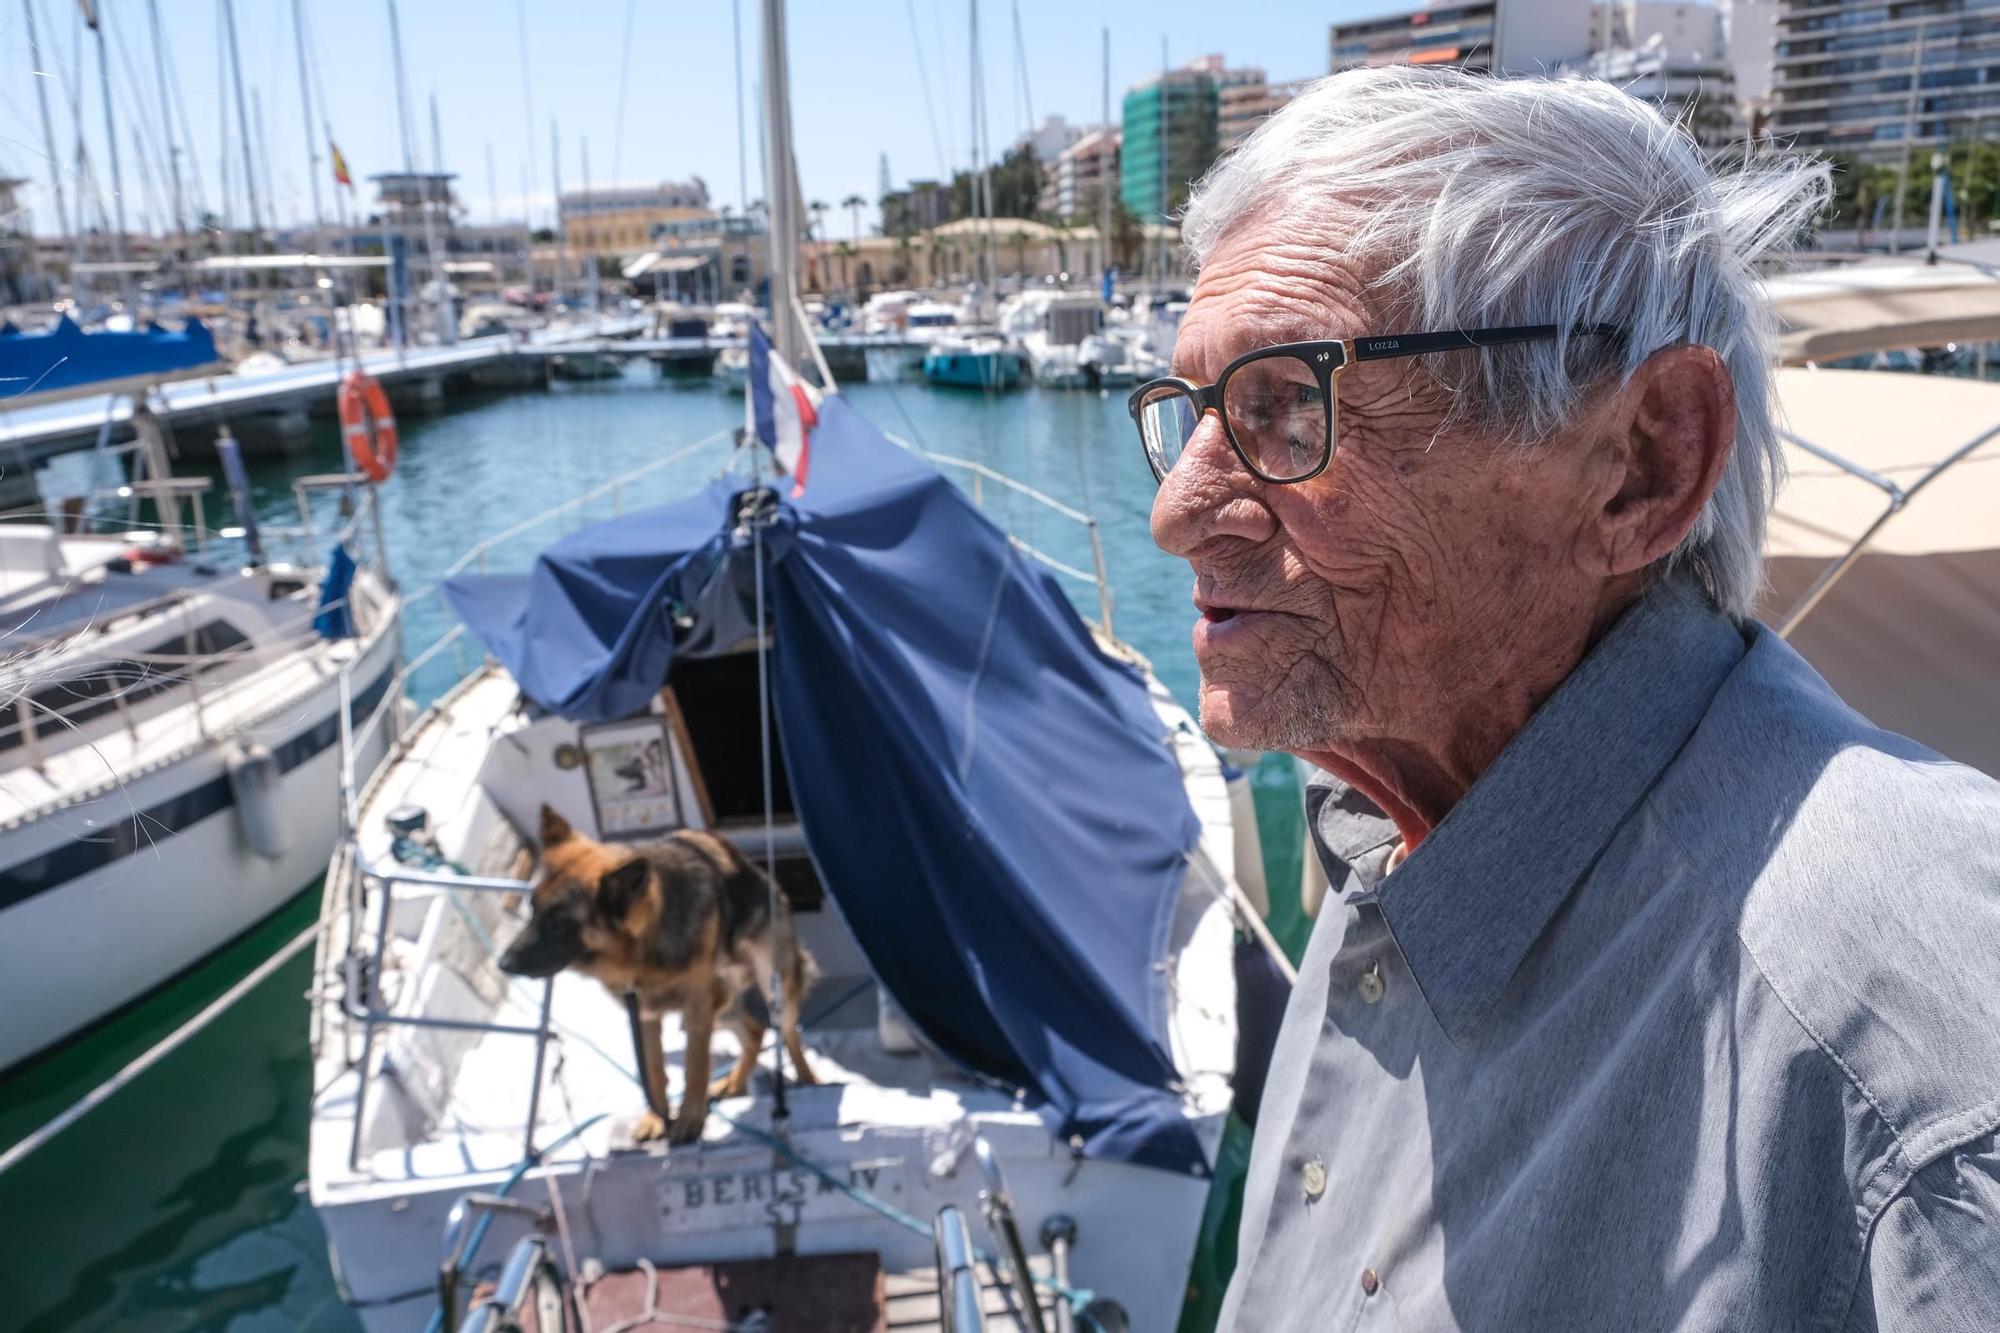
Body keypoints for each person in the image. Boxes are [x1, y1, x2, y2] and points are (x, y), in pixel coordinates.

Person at [1135, 66, 2000, 1331]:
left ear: (1641, 465)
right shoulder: (1391, 838)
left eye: (1283, 404)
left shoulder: (1904, 1056)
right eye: (1190, 412)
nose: (1173, 516)